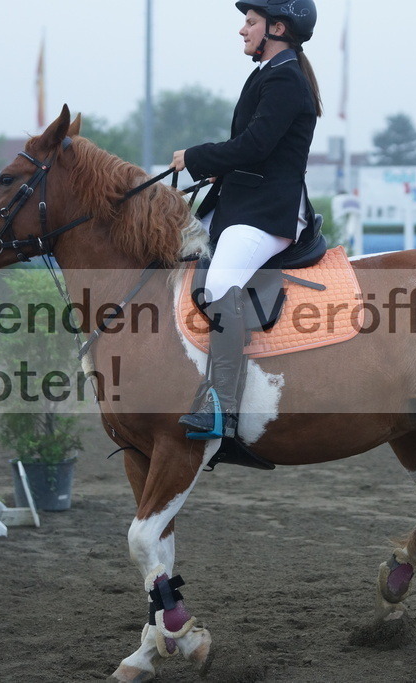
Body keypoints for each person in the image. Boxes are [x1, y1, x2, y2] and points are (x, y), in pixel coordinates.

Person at [171, 0, 321, 440]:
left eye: (251, 22)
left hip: (268, 212)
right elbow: (257, 150)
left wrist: (196, 156)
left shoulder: (286, 78)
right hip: (243, 202)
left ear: (278, 28)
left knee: (220, 284)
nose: (243, 30)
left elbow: (255, 145)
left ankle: (223, 407)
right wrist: (220, 170)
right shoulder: (267, 74)